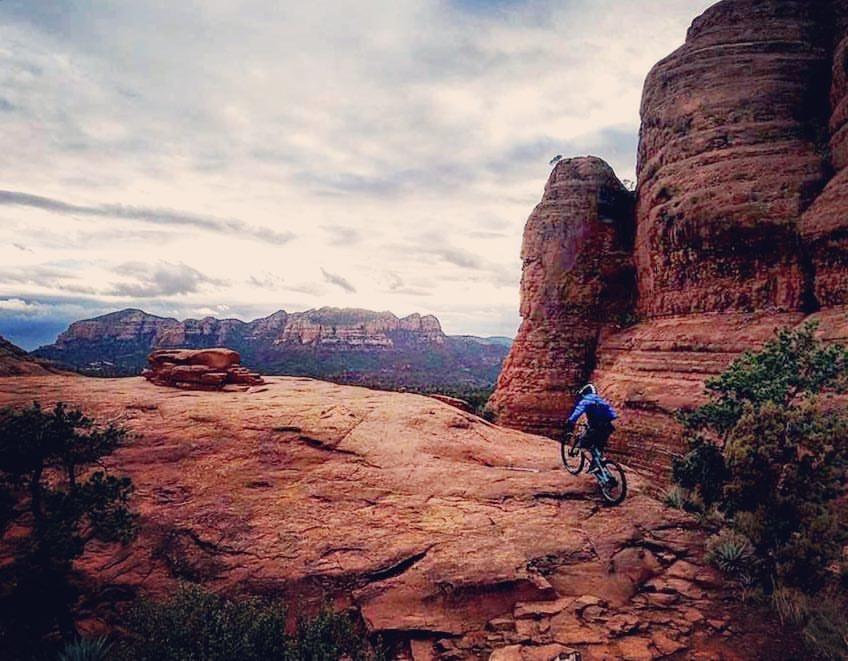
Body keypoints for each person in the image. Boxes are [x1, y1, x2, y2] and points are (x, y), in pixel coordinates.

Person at [563, 384, 617, 472]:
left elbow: (578, 411)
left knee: (583, 446)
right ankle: (598, 463)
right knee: (598, 446)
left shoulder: (586, 400)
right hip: (608, 427)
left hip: (595, 427)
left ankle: (595, 465)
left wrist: (570, 421)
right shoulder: (601, 401)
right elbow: (613, 414)